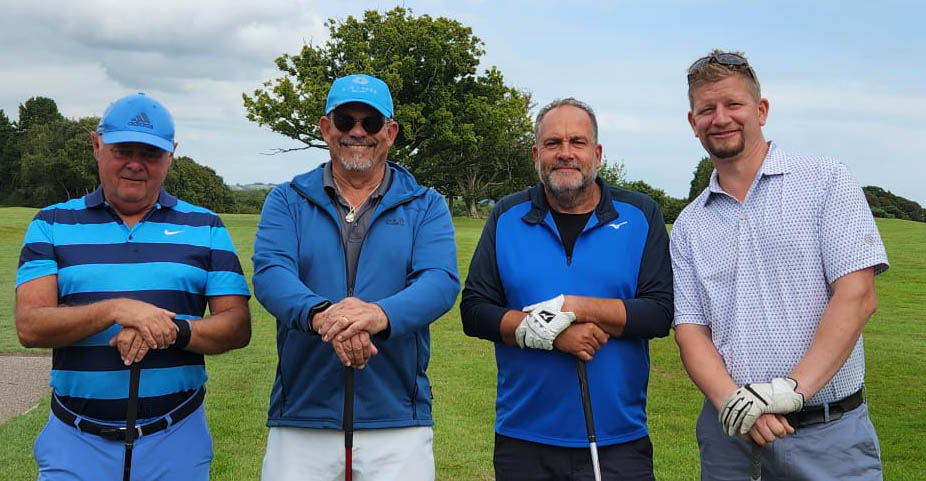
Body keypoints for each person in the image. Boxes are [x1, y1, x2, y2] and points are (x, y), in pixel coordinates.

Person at [672, 49, 889, 481]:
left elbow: (857, 296)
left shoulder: (826, 181)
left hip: (828, 434)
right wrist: (734, 402)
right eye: (707, 109)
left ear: (761, 110)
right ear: (693, 122)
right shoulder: (688, 225)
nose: (720, 118)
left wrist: (789, 391)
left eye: (733, 104)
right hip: (730, 440)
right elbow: (691, 330)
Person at [15, 92, 252, 480]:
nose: (135, 164)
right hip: (75, 439)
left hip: (176, 435)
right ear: (97, 145)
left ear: (171, 155)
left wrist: (170, 331)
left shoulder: (206, 226)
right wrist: (116, 310)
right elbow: (30, 325)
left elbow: (237, 327)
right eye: (123, 151)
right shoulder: (51, 223)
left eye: (151, 154)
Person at [252, 73, 460, 481]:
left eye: (371, 122)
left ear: (390, 132)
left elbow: (439, 282)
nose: (358, 132)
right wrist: (323, 316)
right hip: (302, 416)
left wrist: (378, 316)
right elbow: (272, 273)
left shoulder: (426, 204)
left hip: (397, 418)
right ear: (326, 128)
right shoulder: (287, 199)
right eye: (346, 120)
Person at [460, 97, 674, 480]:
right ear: (536, 155)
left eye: (577, 142)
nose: (565, 153)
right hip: (523, 439)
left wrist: (574, 307)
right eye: (552, 143)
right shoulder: (506, 215)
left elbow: (659, 312)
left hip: (618, 440)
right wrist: (551, 335)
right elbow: (475, 310)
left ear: (597, 154)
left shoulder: (641, 214)